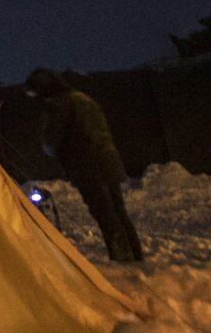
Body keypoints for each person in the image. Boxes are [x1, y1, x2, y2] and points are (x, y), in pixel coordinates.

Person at [25, 68, 145, 263]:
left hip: (87, 167)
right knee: (119, 211)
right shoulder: (83, 98)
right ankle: (137, 258)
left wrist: (46, 136)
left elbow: (51, 141)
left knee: (105, 215)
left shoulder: (58, 104)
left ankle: (125, 261)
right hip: (109, 161)